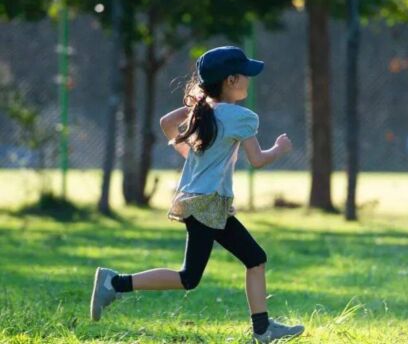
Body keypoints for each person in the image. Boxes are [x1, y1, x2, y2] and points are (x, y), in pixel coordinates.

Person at [90, 46, 304, 343]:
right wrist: (280, 150)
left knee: (255, 258)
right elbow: (257, 160)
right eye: (245, 75)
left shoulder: (203, 110)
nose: (248, 81)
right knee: (190, 277)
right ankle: (114, 283)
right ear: (230, 80)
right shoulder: (241, 117)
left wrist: (185, 150)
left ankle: (263, 329)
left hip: (199, 201)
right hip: (208, 203)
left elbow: (167, 123)